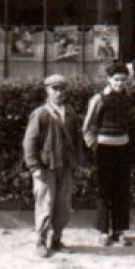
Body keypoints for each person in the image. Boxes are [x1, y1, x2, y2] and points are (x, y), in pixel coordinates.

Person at [22, 74, 84, 258]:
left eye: (62, 89)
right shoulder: (40, 113)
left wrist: (77, 162)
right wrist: (35, 168)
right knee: (45, 204)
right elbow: (29, 142)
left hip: (65, 166)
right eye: (54, 89)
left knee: (63, 205)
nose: (58, 93)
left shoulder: (70, 112)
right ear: (47, 90)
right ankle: (40, 241)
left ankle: (56, 239)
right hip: (46, 166)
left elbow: (77, 139)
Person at [84, 62, 134, 247]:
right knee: (104, 190)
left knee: (121, 190)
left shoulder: (126, 98)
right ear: (108, 80)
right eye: (116, 79)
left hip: (123, 148)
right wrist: (93, 145)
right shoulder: (99, 99)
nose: (120, 83)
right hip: (104, 150)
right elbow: (88, 126)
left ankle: (119, 231)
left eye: (123, 80)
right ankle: (104, 231)